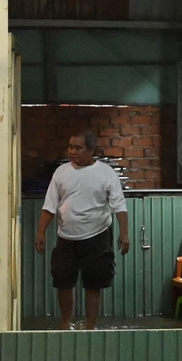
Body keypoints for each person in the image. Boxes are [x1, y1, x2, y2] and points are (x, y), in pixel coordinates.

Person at [35, 131, 130, 330]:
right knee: (62, 280)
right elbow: (50, 205)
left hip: (97, 235)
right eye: (70, 147)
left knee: (94, 282)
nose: (72, 151)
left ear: (90, 150)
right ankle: (65, 323)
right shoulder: (61, 172)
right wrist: (41, 232)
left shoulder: (105, 173)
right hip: (66, 236)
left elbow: (119, 205)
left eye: (78, 148)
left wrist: (124, 233)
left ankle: (90, 326)